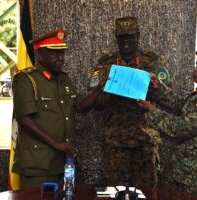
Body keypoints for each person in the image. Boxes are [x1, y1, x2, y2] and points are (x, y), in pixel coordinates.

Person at [137, 48, 197, 199]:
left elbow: (180, 128)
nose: (195, 69)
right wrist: (159, 89)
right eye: (196, 64)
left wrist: (151, 110)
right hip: (192, 173)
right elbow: (183, 105)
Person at [12, 29, 103, 188]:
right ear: (40, 55)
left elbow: (79, 106)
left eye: (62, 53)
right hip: (38, 165)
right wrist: (56, 144)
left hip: (64, 164)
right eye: (55, 54)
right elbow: (24, 118)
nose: (61, 59)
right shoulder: (26, 79)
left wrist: (100, 88)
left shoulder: (63, 79)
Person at [90, 16, 171, 188]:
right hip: (116, 142)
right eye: (122, 38)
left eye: (130, 37)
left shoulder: (152, 62)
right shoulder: (105, 64)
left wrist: (155, 87)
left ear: (138, 36)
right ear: (116, 38)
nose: (126, 42)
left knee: (147, 192)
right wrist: (108, 90)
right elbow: (94, 103)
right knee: (116, 191)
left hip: (145, 141)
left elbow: (167, 97)